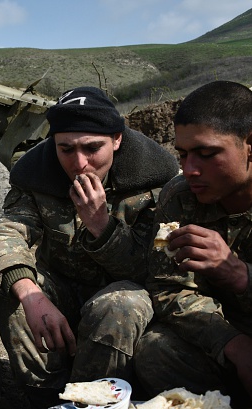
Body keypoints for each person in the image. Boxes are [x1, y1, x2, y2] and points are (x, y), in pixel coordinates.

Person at [0, 86, 179, 407]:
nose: (79, 162)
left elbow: (153, 270)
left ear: (117, 139)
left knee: (123, 304)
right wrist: (30, 295)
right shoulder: (37, 175)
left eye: (92, 148)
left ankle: (93, 400)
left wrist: (101, 226)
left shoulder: (155, 182)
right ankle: (45, 398)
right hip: (61, 293)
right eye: (66, 149)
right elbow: (6, 234)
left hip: (123, 315)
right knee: (13, 289)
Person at [134, 81, 252, 408]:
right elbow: (167, 287)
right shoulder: (180, 197)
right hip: (225, 338)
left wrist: (242, 276)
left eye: (207, 153)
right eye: (183, 155)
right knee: (154, 351)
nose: (190, 170)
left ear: (249, 144)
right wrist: (233, 343)